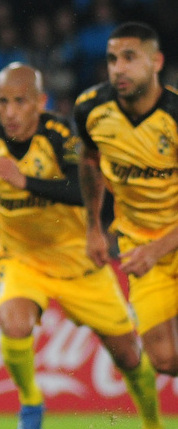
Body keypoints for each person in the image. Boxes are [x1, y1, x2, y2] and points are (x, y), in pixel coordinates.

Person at [0, 62, 173, 429]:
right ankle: (31, 401)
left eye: (20, 102)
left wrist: (25, 182)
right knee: (12, 322)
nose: (10, 112)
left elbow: (83, 190)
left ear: (41, 102)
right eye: (2, 102)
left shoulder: (62, 136)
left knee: (129, 356)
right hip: (21, 260)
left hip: (78, 262)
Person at [76, 23, 178, 384]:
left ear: (156, 62)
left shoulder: (174, 116)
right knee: (164, 360)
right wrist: (93, 229)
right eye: (112, 59)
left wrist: (159, 248)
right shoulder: (91, 109)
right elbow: (89, 162)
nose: (118, 67)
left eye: (130, 58)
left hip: (169, 240)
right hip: (138, 244)